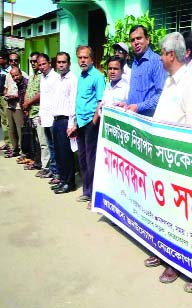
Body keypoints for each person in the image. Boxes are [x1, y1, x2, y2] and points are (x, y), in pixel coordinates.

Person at [143, 32, 192, 284]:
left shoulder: (190, 82)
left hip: (178, 162)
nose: (159, 56)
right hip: (161, 159)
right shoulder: (170, 80)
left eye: (161, 52)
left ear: (170, 55)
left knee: (178, 218)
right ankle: (162, 251)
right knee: (162, 211)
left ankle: (175, 263)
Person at [69, 46, 105, 207]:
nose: (82, 60)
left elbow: (100, 102)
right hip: (81, 123)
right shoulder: (81, 76)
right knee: (82, 158)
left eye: (85, 57)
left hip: (91, 123)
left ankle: (94, 194)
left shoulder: (97, 76)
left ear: (91, 59)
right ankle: (87, 191)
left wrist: (94, 122)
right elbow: (79, 101)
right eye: (80, 58)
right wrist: (76, 123)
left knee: (92, 159)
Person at [116, 25, 167, 116]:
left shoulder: (157, 62)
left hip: (147, 121)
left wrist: (139, 107)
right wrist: (127, 105)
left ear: (147, 39)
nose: (136, 42)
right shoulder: (135, 62)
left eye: (139, 38)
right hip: (133, 119)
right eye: (132, 40)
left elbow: (162, 96)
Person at [50, 52, 77, 193]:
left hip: (66, 120)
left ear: (69, 63)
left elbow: (73, 102)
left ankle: (69, 183)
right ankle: (62, 179)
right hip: (56, 120)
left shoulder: (72, 79)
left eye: (64, 62)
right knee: (58, 152)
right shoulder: (57, 79)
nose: (61, 64)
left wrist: (71, 124)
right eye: (59, 62)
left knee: (66, 153)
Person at [22, 51, 47, 173]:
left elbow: (40, 94)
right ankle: (37, 162)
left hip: (38, 112)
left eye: (35, 61)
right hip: (31, 111)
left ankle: (45, 166)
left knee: (42, 141)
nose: (33, 63)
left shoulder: (43, 76)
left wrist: (28, 103)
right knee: (35, 140)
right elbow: (28, 91)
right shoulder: (32, 76)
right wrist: (26, 106)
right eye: (31, 61)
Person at [37, 53, 59, 179]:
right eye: (39, 65)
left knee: (55, 145)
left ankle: (56, 171)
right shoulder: (43, 78)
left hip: (53, 117)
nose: (42, 67)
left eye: (44, 64)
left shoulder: (55, 77)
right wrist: (40, 114)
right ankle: (52, 169)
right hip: (45, 116)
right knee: (50, 144)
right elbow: (43, 99)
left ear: (49, 63)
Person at [4, 67, 28, 158]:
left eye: (15, 60)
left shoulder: (25, 77)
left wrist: (15, 97)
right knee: (11, 129)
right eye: (11, 60)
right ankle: (15, 150)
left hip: (18, 106)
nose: (14, 77)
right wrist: (6, 95)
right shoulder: (8, 76)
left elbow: (24, 92)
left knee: (20, 130)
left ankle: (23, 152)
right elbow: (5, 88)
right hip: (9, 105)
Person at [0, 51, 11, 152]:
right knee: (3, 121)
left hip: (5, 98)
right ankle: (7, 142)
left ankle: (11, 144)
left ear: (5, 59)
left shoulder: (10, 71)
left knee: (8, 121)